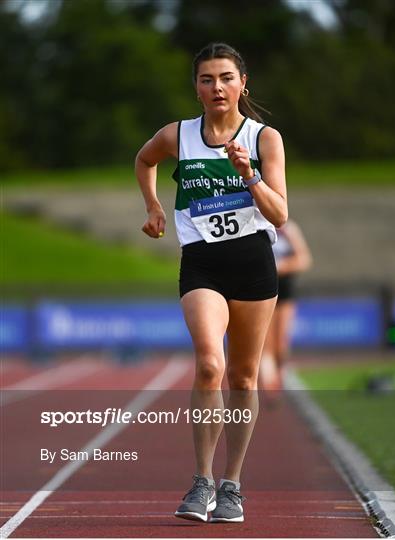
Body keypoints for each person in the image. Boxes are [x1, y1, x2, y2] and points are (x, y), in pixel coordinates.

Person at [135, 42, 287, 524]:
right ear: (196, 89)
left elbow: (280, 215)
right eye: (207, 79)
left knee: (243, 377)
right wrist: (154, 206)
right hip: (202, 264)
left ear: (243, 84)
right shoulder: (178, 135)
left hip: (254, 265)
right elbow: (144, 160)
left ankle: (232, 484)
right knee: (208, 364)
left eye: (226, 77)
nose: (217, 87)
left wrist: (249, 176)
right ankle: (201, 481)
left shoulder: (265, 138)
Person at [260, 220, 312, 392]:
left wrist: (280, 267)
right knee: (265, 342)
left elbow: (304, 259)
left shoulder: (287, 229)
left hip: (284, 289)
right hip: (262, 288)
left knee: (281, 342)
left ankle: (280, 371)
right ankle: (269, 383)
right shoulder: (255, 225)